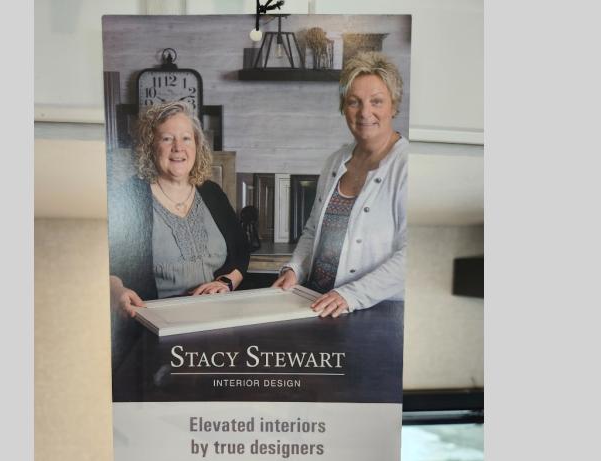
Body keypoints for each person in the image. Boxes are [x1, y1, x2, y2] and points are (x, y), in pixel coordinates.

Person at [108, 101, 249, 369]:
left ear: (197, 146)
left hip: (217, 329)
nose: (178, 147)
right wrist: (117, 291)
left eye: (186, 138)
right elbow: (104, 262)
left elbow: (241, 252)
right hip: (154, 335)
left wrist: (226, 282)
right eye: (167, 138)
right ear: (151, 146)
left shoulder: (212, 193)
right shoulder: (129, 197)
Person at [272, 51, 407, 318]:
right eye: (354, 102)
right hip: (316, 303)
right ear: (344, 108)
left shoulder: (407, 165)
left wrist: (351, 295)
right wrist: (294, 269)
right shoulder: (335, 161)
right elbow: (313, 230)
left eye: (376, 101)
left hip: (373, 313)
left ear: (393, 106)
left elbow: (413, 255)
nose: (365, 112)